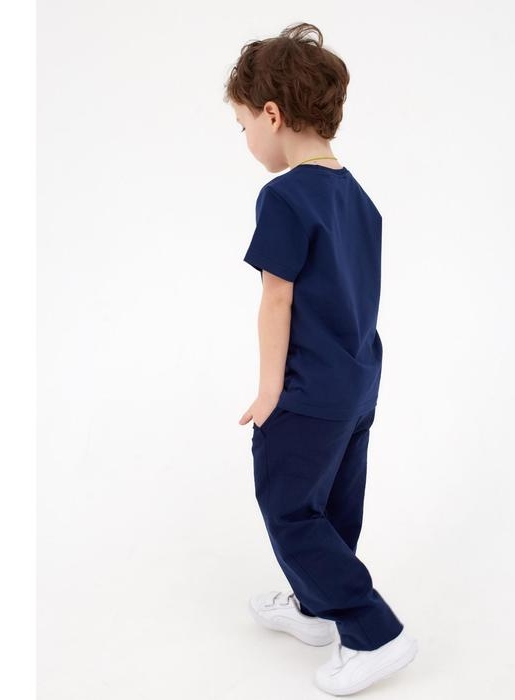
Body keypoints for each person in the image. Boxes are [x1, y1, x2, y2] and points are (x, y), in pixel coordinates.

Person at [223, 22, 418, 696]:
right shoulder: (357, 196)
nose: (246, 138)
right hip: (358, 382)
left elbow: (276, 298)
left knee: (289, 509)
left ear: (272, 114)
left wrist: (269, 391)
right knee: (334, 507)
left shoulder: (283, 196)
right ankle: (314, 608)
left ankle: (374, 631)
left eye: (243, 124)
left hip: (308, 392)